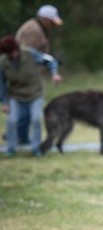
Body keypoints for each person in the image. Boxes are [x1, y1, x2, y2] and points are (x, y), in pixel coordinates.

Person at [0, 36, 62, 157]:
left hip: (35, 93)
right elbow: (1, 84)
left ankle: (36, 148)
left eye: (13, 52)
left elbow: (49, 60)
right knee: (12, 121)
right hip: (16, 95)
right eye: (9, 54)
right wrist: (5, 102)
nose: (12, 55)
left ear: (17, 49)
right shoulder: (3, 62)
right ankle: (11, 148)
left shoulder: (29, 53)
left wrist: (54, 73)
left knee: (36, 119)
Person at [12, 4, 63, 145]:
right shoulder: (33, 30)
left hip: (30, 75)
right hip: (26, 77)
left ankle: (19, 137)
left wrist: (49, 61)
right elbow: (26, 55)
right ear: (44, 19)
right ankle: (18, 136)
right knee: (27, 107)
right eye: (51, 22)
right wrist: (46, 62)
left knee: (28, 107)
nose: (52, 25)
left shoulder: (36, 27)